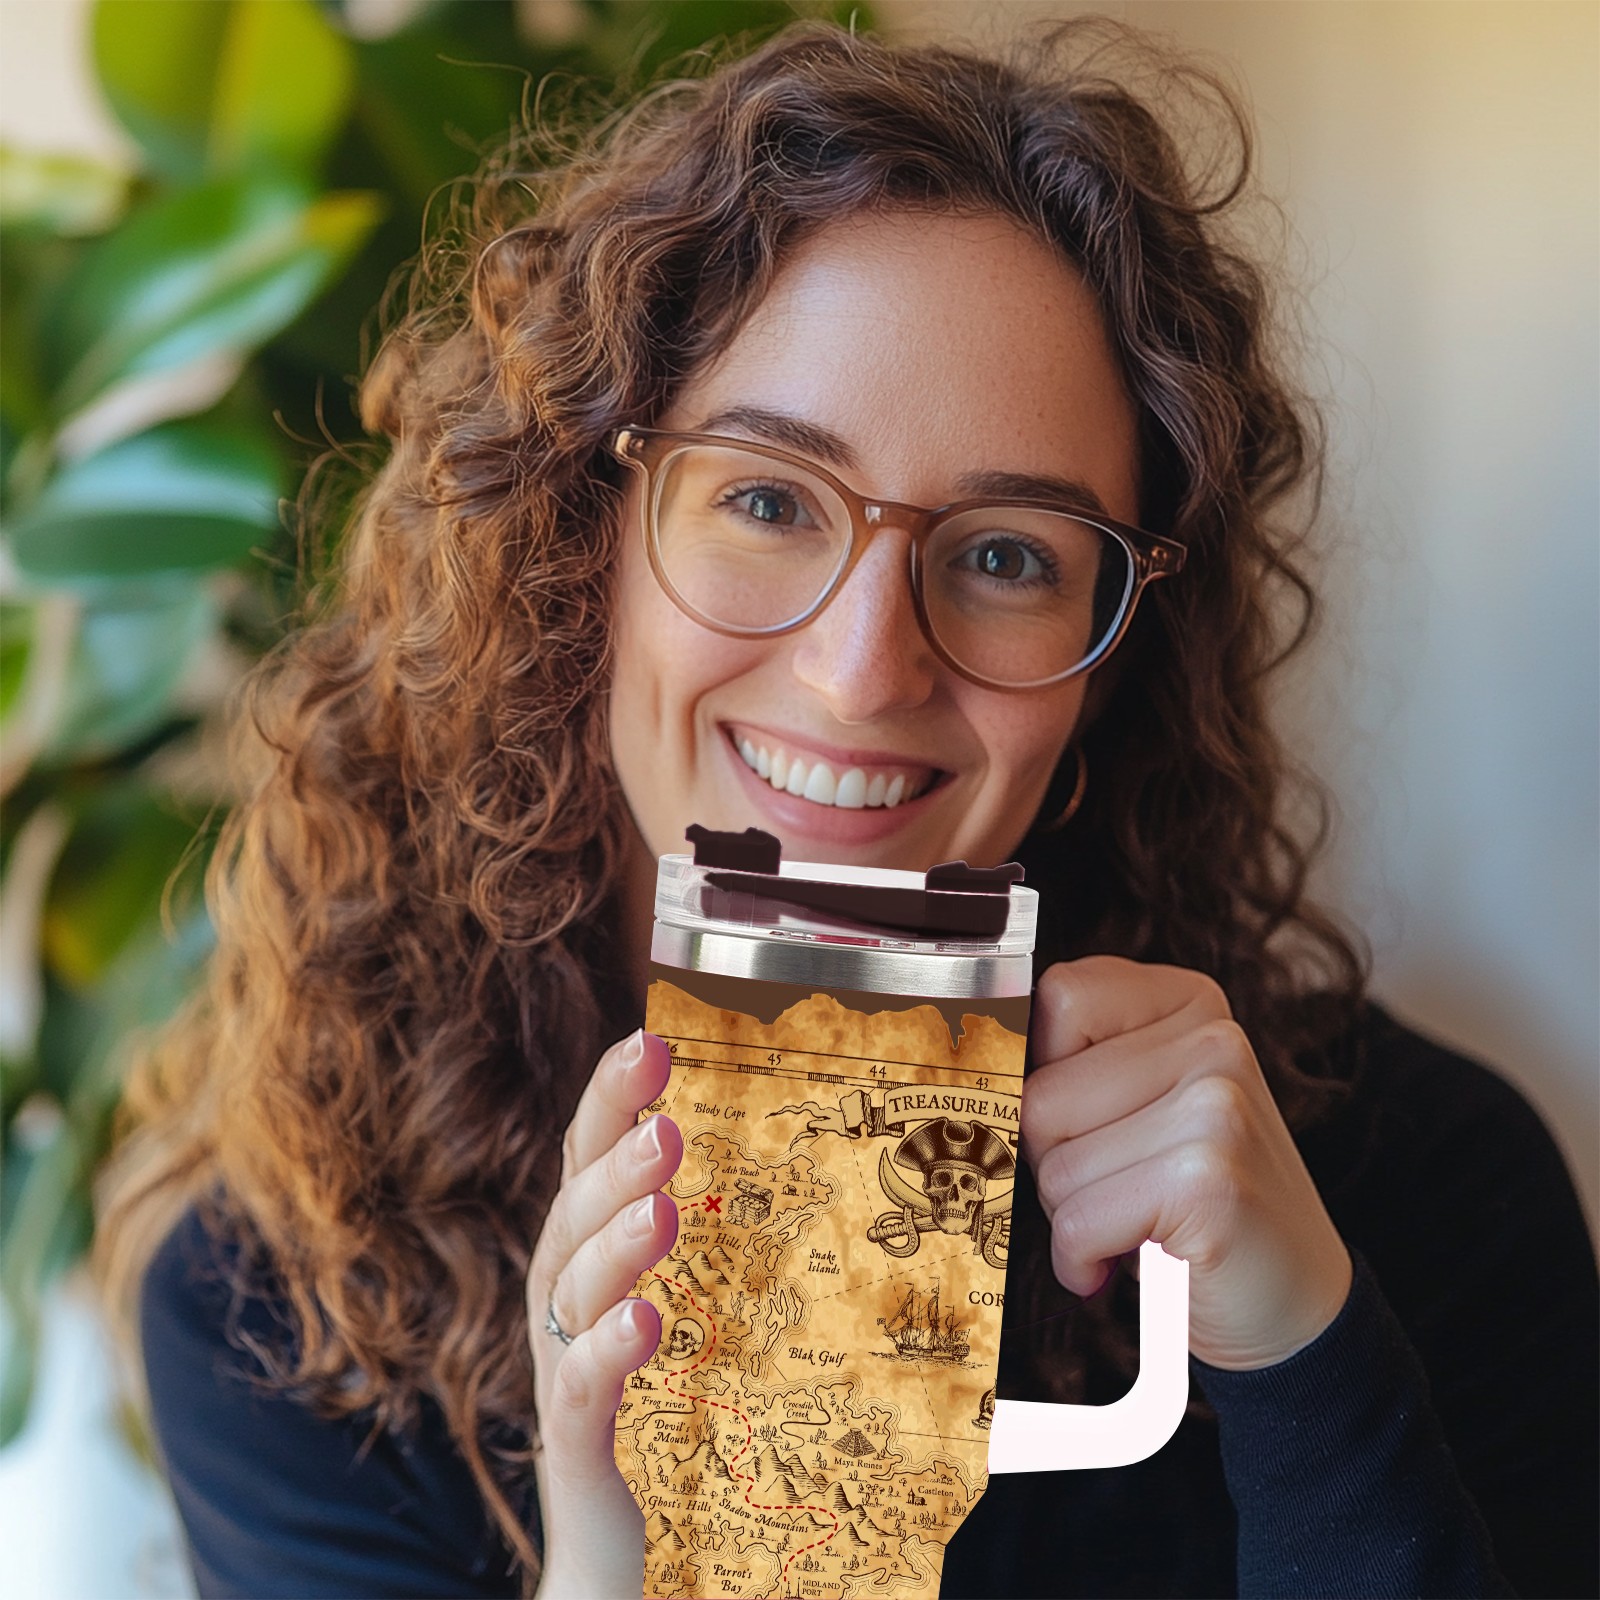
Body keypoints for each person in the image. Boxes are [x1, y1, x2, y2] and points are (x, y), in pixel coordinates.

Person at [95, 18, 1597, 1600]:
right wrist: (616, 1560)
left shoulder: (1421, 1192)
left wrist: (1306, 1368)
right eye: (766, 499)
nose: (864, 670)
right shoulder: (292, 1301)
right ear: (580, 550)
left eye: (1007, 554)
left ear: (1112, 662)